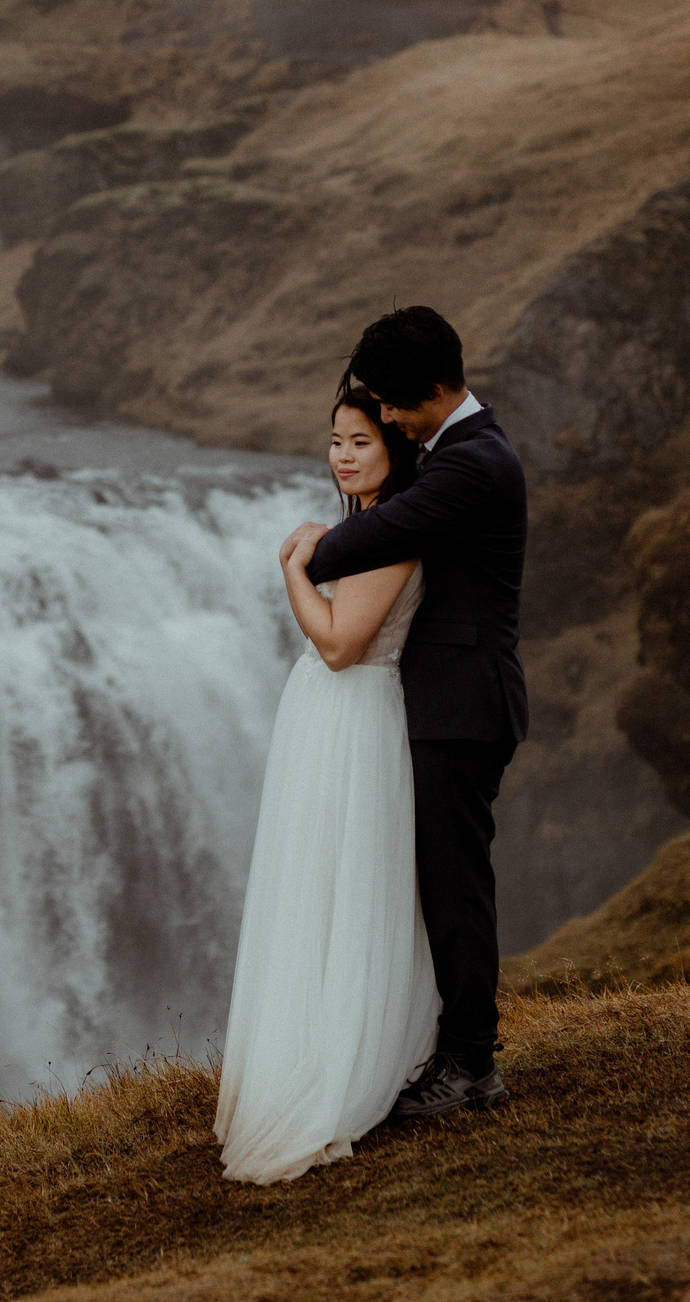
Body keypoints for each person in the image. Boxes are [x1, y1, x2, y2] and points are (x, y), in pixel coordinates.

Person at [287, 305, 527, 1121]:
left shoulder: (469, 464)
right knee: (434, 883)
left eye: (389, 406)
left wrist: (301, 553)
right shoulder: (449, 450)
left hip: (462, 705)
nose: (381, 416)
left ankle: (471, 1064)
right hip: (443, 702)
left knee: (455, 887)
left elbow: (364, 542)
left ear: (431, 388)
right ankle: (438, 1047)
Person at [214, 389, 440, 1184]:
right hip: (329, 719)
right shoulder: (368, 528)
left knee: (343, 880)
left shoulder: (386, 534)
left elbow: (342, 644)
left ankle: (336, 1060)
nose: (344, 455)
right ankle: (310, 1039)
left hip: (351, 714)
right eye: (336, 441)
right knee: (314, 882)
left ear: (395, 451)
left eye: (362, 443)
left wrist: (294, 569)